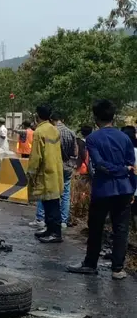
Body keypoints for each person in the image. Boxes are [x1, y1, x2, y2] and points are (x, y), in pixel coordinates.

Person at [67, 100, 134, 279]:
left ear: (96, 118)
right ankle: (117, 269)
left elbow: (99, 164)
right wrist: (130, 182)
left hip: (103, 189)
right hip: (124, 189)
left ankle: (90, 264)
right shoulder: (125, 137)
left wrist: (117, 170)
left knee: (95, 227)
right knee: (121, 229)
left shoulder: (93, 139)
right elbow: (131, 165)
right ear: (113, 116)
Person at [29, 104, 65, 243]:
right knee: (51, 202)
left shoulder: (39, 132)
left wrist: (31, 172)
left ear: (37, 115)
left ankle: (55, 233)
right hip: (55, 170)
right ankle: (50, 229)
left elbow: (36, 156)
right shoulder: (54, 130)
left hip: (45, 172)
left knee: (51, 204)